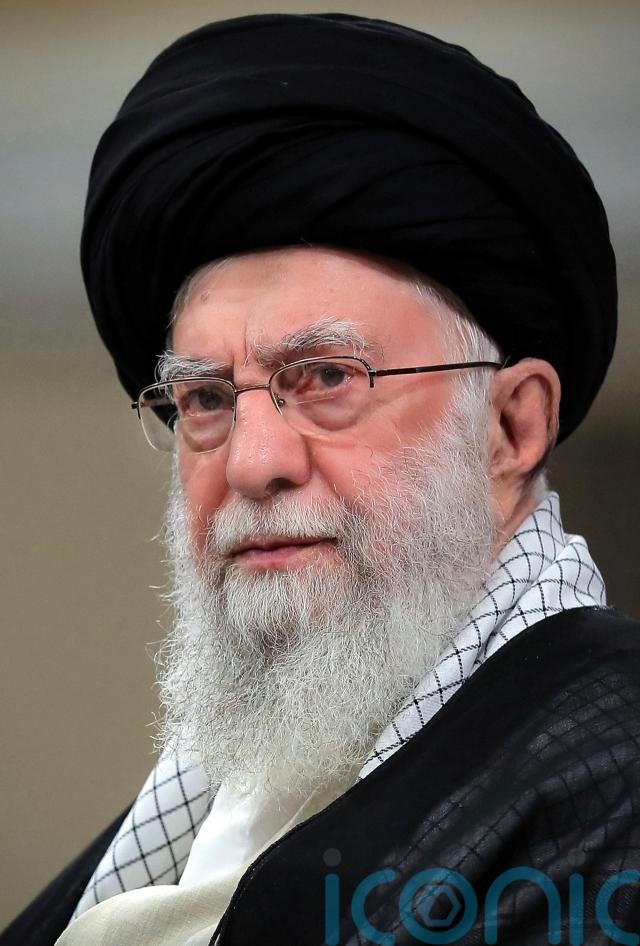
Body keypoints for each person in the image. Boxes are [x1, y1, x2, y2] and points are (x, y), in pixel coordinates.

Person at [3, 12, 640, 946]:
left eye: (329, 379)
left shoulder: (613, 777)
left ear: (511, 428)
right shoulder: (209, 809)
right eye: (206, 398)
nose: (253, 463)